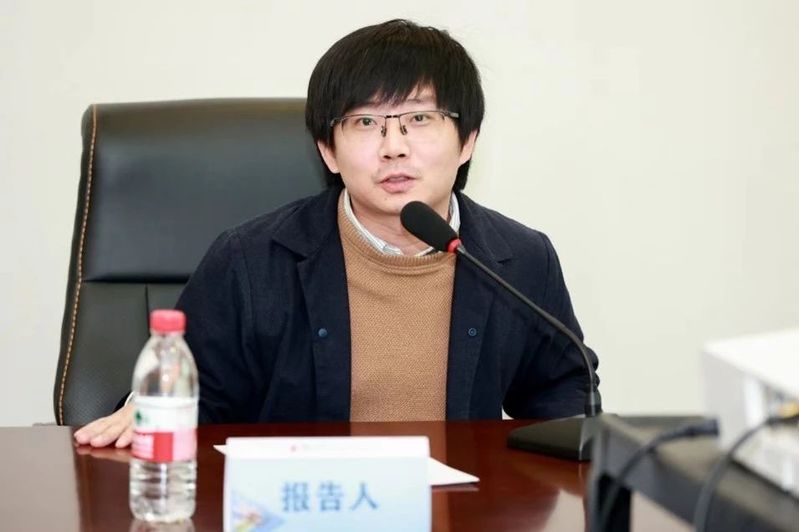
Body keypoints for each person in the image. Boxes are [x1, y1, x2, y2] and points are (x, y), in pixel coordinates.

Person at [75, 19, 598, 449]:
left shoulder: (518, 259)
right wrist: (150, 409)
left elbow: (562, 388)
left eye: (420, 117)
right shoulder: (251, 260)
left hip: (460, 514)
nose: (394, 146)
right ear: (328, 151)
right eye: (366, 123)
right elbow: (192, 395)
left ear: (467, 141)